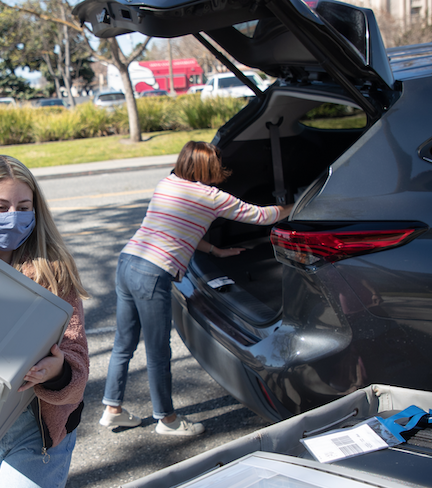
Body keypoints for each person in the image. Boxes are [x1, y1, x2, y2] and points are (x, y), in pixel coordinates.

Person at [99, 141, 293, 435]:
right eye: (216, 166)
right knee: (158, 351)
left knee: (124, 343)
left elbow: (178, 226)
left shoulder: (168, 183)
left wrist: (215, 251)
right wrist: (300, 203)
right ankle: (167, 420)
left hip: (128, 262)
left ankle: (112, 409)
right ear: (206, 168)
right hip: (152, 273)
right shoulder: (210, 196)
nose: (220, 171)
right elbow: (262, 216)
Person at [0, 155, 89, 487]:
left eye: (24, 207)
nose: (13, 217)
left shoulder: (53, 270)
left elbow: (77, 367)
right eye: (0, 207)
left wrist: (56, 372)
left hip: (36, 429)